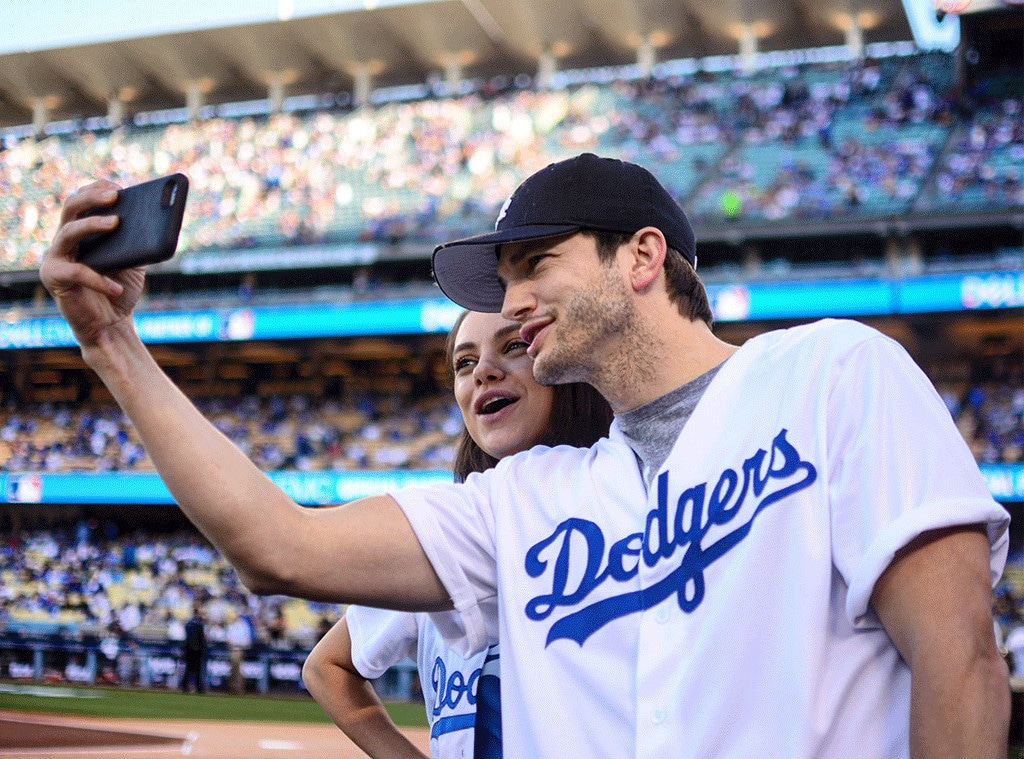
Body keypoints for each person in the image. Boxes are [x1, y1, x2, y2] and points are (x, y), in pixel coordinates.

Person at [41, 154, 1009, 758]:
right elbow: (276, 544)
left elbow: (955, 653)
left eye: (534, 264)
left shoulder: (830, 371)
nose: (509, 305)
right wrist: (110, 344)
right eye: (501, 280)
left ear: (640, 258)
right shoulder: (528, 495)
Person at [302, 309, 612, 759]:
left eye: (514, 346)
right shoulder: (443, 534)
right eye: (464, 363)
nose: (483, 371)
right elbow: (327, 667)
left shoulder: (625, 507)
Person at [181, 606, 207, 694]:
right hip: (196, 650)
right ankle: (199, 688)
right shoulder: (198, 624)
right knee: (197, 670)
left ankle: (185, 687)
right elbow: (201, 638)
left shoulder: (189, 623)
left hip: (189, 649)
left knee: (188, 669)